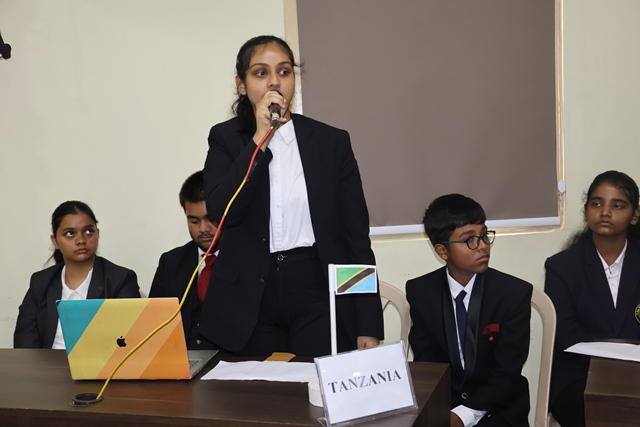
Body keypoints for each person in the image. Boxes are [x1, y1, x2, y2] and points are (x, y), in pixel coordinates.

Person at [201, 35, 383, 357]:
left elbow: (354, 236)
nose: (274, 82)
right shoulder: (225, 139)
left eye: (284, 72)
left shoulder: (331, 142)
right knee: (257, 389)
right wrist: (260, 138)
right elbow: (223, 210)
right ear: (241, 85)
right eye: (261, 73)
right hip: (250, 294)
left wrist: (367, 321)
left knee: (314, 384)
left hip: (316, 285)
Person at [406, 194, 532, 427]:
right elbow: (429, 364)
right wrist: (446, 414)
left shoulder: (513, 293)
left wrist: (462, 416)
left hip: (499, 409)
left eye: (484, 235)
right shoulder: (421, 293)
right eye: (469, 240)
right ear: (442, 251)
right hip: (446, 406)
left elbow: (507, 373)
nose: (482, 245)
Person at [545, 170, 640, 427]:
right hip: (580, 373)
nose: (605, 212)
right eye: (597, 204)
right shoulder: (561, 267)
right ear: (586, 210)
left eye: (617, 205)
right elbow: (567, 336)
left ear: (634, 215)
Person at [14, 200, 140, 349]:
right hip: (46, 362)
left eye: (88, 231)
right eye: (70, 233)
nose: (81, 240)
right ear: (55, 241)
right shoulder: (41, 282)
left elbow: (129, 342)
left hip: (99, 363)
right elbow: (25, 342)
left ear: (98, 233)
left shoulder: (121, 280)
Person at [149, 171, 221, 349]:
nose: (203, 229)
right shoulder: (170, 263)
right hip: (181, 357)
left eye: (211, 219)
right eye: (194, 221)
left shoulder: (247, 260)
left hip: (231, 359)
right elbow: (153, 324)